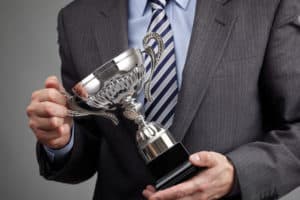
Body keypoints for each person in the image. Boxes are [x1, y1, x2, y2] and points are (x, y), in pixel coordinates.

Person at [26, 0, 300, 199]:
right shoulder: (77, 18)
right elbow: (87, 147)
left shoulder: (267, 5)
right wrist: (62, 140)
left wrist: (236, 173)